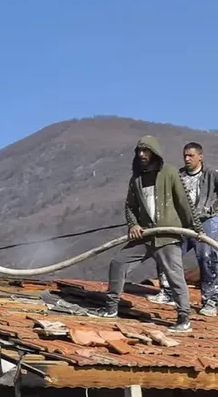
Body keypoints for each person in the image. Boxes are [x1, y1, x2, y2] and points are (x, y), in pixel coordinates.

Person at [93, 135, 203, 333]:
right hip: (145, 235)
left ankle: (184, 317)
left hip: (167, 235)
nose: (142, 154)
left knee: (174, 276)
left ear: (154, 153)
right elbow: (130, 206)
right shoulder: (136, 179)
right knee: (118, 262)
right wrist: (133, 225)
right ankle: (111, 308)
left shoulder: (169, 173)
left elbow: (183, 202)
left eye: (146, 151)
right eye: (139, 151)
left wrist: (195, 229)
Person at [149, 142, 218, 316]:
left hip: (206, 222)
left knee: (207, 257)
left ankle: (210, 300)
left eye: (191, 155)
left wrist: (213, 208)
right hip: (181, 222)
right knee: (166, 251)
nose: (187, 159)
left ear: (200, 157)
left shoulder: (211, 175)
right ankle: (168, 292)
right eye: (185, 155)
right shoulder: (178, 176)